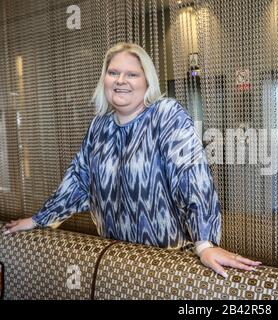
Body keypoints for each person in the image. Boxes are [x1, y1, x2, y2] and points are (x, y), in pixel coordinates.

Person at [2, 42, 261, 278]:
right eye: (113, 72)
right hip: (114, 258)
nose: (120, 80)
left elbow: (192, 179)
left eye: (132, 74)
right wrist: (39, 219)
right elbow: (79, 180)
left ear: (147, 81)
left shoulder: (166, 114)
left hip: (165, 262)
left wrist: (205, 243)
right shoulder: (99, 126)